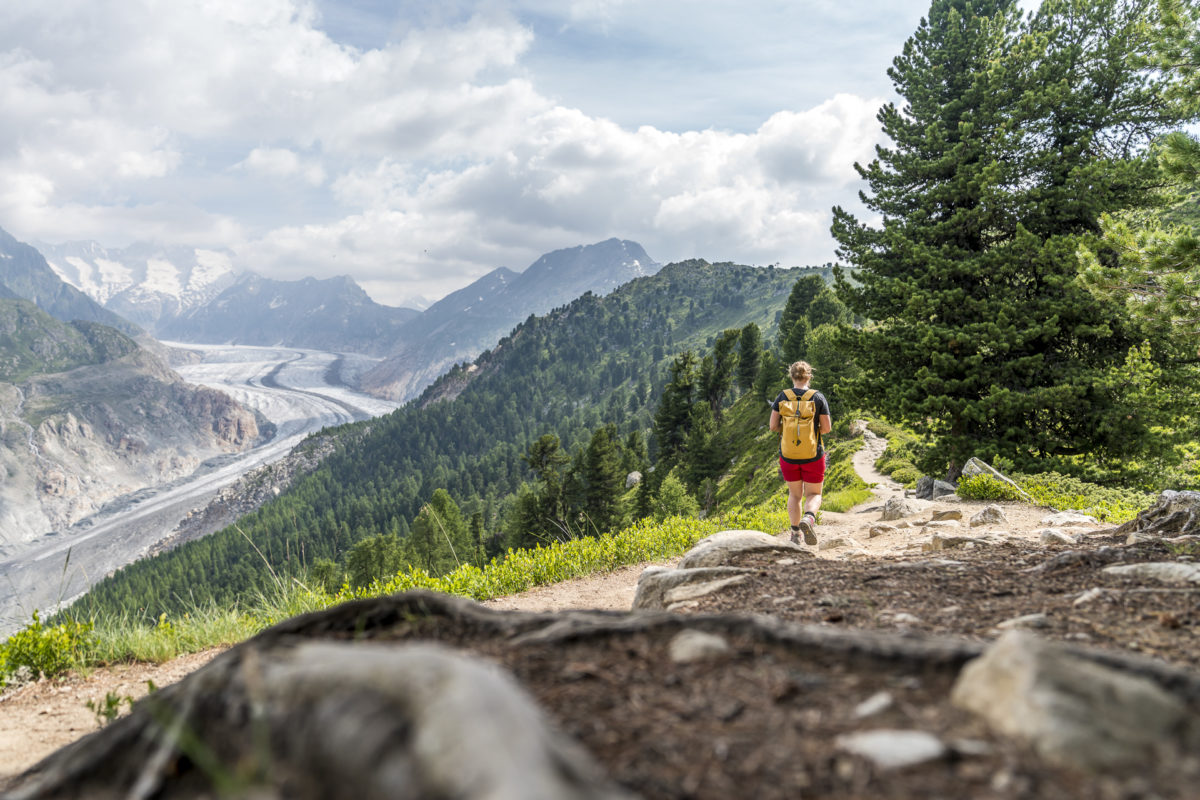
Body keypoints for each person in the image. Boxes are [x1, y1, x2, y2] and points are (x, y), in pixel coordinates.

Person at [769, 360, 832, 545]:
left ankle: (795, 534)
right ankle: (809, 519)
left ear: (792, 376)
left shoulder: (782, 397)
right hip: (813, 454)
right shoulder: (818, 398)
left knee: (794, 495)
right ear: (809, 376)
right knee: (814, 494)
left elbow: (773, 426)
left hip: (788, 455)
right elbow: (827, 428)